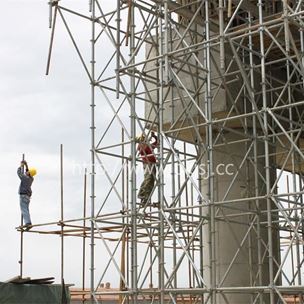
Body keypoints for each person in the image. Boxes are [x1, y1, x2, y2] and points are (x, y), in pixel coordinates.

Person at [137, 131, 158, 206]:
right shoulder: (141, 145)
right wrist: (145, 140)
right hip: (147, 164)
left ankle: (146, 197)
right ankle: (142, 194)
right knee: (148, 178)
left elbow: (157, 143)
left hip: (152, 164)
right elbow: (141, 148)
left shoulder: (148, 146)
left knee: (152, 180)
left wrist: (154, 136)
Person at [17, 160, 37, 230]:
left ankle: (28, 223)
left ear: (29, 173)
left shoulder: (25, 178)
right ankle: (28, 222)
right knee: (26, 210)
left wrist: (21, 165)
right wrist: (26, 166)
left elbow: (19, 173)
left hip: (23, 196)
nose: (27, 172)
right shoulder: (31, 178)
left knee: (24, 210)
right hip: (27, 197)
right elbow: (28, 173)